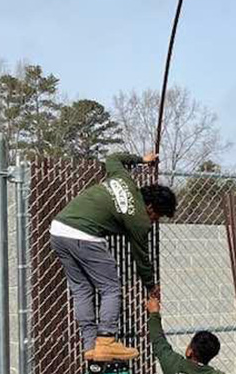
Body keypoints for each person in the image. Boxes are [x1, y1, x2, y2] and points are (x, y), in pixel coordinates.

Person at [50, 151, 177, 361]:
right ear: (150, 207)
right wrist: (151, 286)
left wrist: (141, 160)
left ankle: (91, 345)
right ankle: (106, 340)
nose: (154, 221)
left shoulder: (123, 178)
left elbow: (113, 158)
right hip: (84, 235)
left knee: (81, 289)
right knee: (111, 288)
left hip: (59, 229)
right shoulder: (139, 220)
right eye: (158, 216)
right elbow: (141, 259)